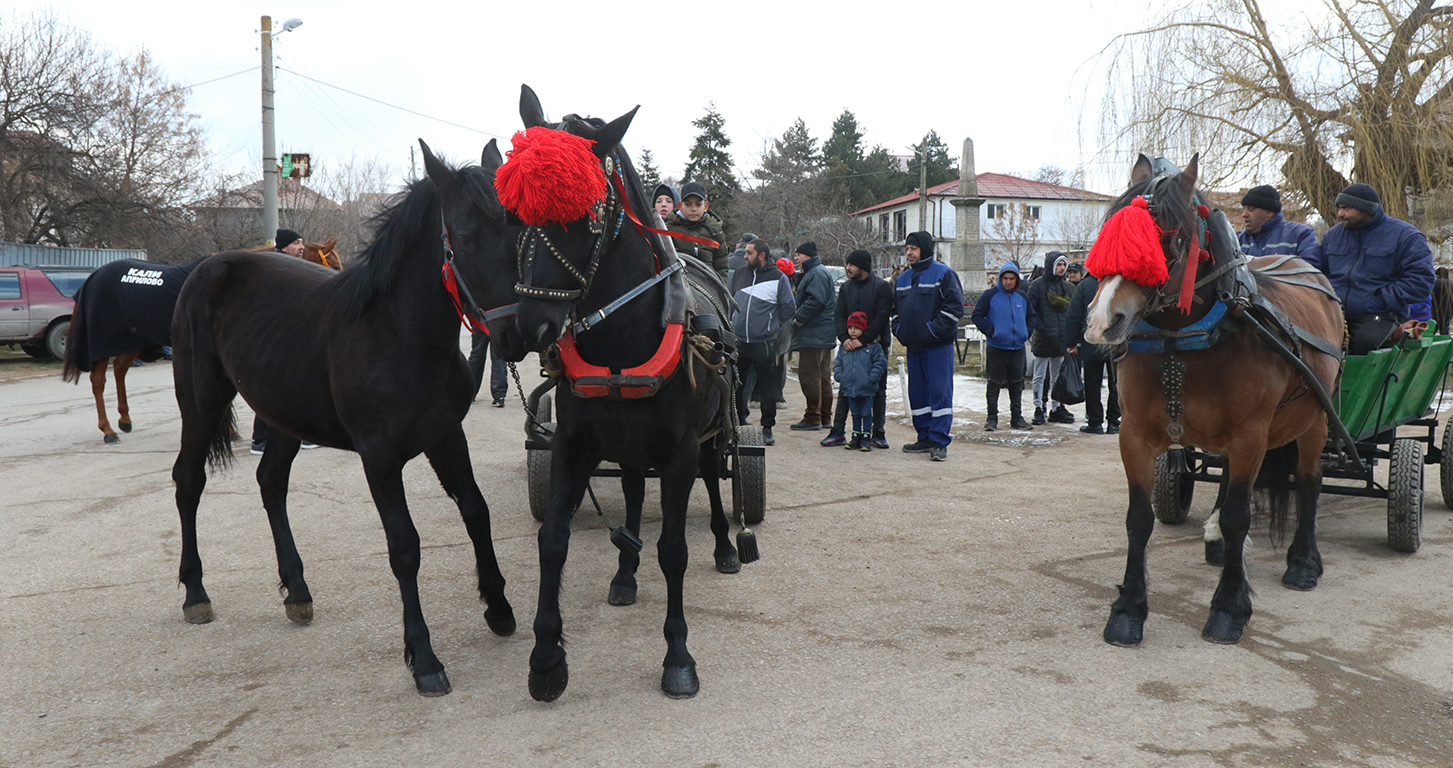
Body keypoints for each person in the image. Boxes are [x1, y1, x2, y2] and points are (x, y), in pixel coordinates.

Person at [1313, 183, 1435, 354]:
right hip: (1334, 314)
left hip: (1382, 315)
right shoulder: (1332, 236)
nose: (1340, 214)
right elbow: (1321, 274)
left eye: (1346, 208)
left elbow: (1421, 282)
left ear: (1366, 209)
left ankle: (1356, 380)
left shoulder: (1406, 236)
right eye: (1339, 208)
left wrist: (1380, 299)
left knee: (1363, 342)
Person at [893, 231, 964, 462]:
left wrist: (931, 330)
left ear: (924, 249)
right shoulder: (903, 279)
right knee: (918, 395)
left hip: (938, 348)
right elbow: (895, 313)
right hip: (913, 348)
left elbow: (954, 309)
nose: (909, 253)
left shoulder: (944, 274)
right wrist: (900, 331)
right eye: (907, 249)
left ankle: (939, 441)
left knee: (939, 394)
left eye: (913, 248)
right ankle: (923, 437)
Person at [252, 228, 318, 454]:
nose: (302, 247)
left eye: (302, 242)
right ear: (284, 246)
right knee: (273, 391)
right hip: (274, 342)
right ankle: (262, 440)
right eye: (297, 243)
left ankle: (281, 437)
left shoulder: (284, 265)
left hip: (280, 339)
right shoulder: (278, 266)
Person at [822, 249, 894, 449]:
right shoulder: (846, 287)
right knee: (846, 388)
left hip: (876, 347)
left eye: (851, 264)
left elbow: (881, 317)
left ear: (862, 266)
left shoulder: (881, 287)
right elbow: (839, 315)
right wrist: (845, 338)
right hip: (849, 347)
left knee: (877, 390)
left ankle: (878, 433)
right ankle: (838, 432)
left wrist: (864, 340)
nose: (847, 268)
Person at [730, 238, 795, 446]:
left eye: (749, 253)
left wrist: (771, 326)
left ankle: (767, 428)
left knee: (767, 388)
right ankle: (738, 423)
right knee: (737, 387)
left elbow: (788, 308)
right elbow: (731, 301)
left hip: (764, 343)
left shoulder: (778, 278)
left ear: (762, 255)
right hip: (739, 342)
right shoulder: (740, 273)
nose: (744, 256)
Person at [972, 262, 1037, 432]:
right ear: (1001, 279)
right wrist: (991, 331)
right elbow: (977, 315)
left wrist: (1026, 333)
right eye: (1005, 278)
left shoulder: (1022, 296)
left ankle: (1017, 418)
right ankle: (991, 419)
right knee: (994, 384)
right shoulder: (990, 295)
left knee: (1017, 385)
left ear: (1016, 280)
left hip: (1017, 348)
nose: (1008, 281)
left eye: (1012, 278)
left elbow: (1032, 316)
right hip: (996, 348)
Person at [788, 241, 837, 431]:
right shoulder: (818, 272)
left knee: (810, 376)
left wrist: (798, 319)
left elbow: (816, 301)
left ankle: (812, 417)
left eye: (799, 255)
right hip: (823, 333)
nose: (796, 258)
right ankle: (825, 417)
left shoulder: (815, 273)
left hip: (813, 333)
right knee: (823, 376)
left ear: (807, 256)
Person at [1066, 270, 1119, 434]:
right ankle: (1114, 422)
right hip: (1114, 342)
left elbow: (1074, 316)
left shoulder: (1084, 285)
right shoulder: (1118, 283)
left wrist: (1071, 342)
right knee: (1115, 384)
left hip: (1092, 341)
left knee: (1092, 384)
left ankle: (1095, 422)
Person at [1026, 252, 1075, 425]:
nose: (1062, 268)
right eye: (1059, 265)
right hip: (1044, 338)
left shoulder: (1068, 287)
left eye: (1064, 265)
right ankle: (1039, 407)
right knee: (1039, 375)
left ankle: (1056, 408)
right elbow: (1030, 310)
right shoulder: (1037, 286)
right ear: (1050, 265)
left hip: (1060, 339)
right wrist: (1041, 327)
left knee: (1057, 376)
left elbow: (1072, 313)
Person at [833, 312, 887, 451]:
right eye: (850, 327)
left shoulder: (873, 347)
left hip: (867, 388)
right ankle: (856, 436)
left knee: (866, 413)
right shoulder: (845, 348)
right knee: (855, 413)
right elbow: (838, 362)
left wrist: (872, 378)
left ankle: (866, 437)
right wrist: (840, 375)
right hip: (850, 387)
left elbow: (880, 363)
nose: (852, 330)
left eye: (856, 328)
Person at [1237, 185, 1321, 261]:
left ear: (1270, 212)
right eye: (1244, 208)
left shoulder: (1300, 234)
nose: (1244, 214)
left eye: (1251, 209)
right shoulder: (1236, 240)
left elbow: (1310, 270)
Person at [666, 181, 729, 280]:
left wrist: (722, 289)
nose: (693, 209)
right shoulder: (669, 229)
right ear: (680, 206)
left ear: (706, 206)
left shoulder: (715, 230)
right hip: (678, 281)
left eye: (698, 204)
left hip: (707, 283)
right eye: (688, 204)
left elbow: (721, 265)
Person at [467, 329, 508, 407]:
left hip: (480, 322)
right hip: (498, 323)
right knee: (498, 359)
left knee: (477, 356)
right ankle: (499, 396)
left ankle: (470, 393)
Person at [1434, 267, 1452, 335]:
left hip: (1435, 311)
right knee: (1445, 331)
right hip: (1448, 311)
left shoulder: (1435, 283)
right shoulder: (1451, 283)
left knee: (1432, 330)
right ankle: (1446, 344)